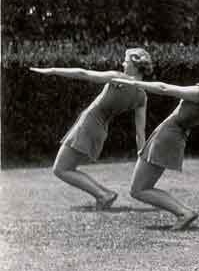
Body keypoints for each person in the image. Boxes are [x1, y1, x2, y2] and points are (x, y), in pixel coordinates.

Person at [115, 57, 199, 230]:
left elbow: (163, 88)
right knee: (142, 187)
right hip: (176, 139)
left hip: (166, 136)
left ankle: (183, 212)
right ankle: (183, 212)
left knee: (137, 190)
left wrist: (133, 83)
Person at [30, 48, 153, 209]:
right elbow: (140, 131)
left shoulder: (118, 77)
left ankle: (103, 195)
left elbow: (83, 73)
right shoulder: (141, 95)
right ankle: (105, 193)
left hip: (89, 124)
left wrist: (52, 70)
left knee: (60, 169)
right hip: (100, 130)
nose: (123, 63)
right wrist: (142, 158)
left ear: (134, 65)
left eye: (126, 61)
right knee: (67, 168)